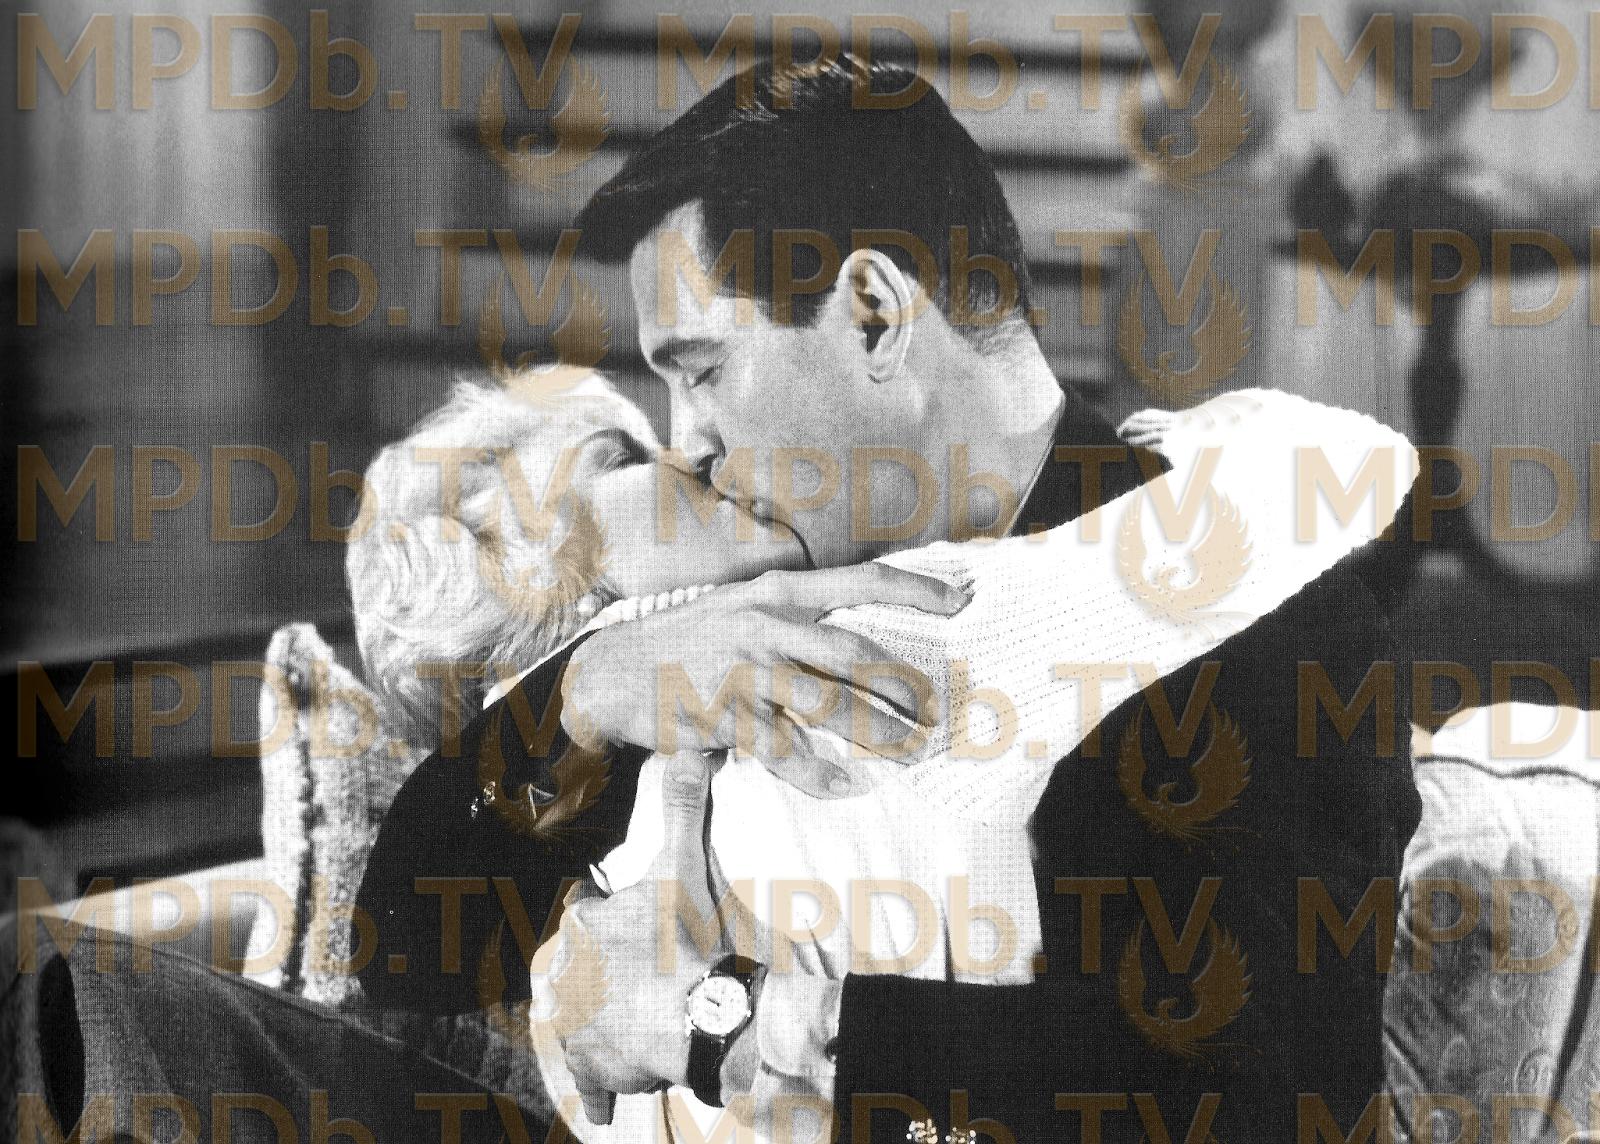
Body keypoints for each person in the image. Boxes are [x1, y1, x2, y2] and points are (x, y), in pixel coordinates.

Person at [360, 57, 1422, 1142]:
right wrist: (595, 689)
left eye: (703, 369)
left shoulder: (1252, 616)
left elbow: (1257, 1104)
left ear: (873, 314)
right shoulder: (749, 579)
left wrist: (724, 1025)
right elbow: (408, 945)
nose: (686, 442)